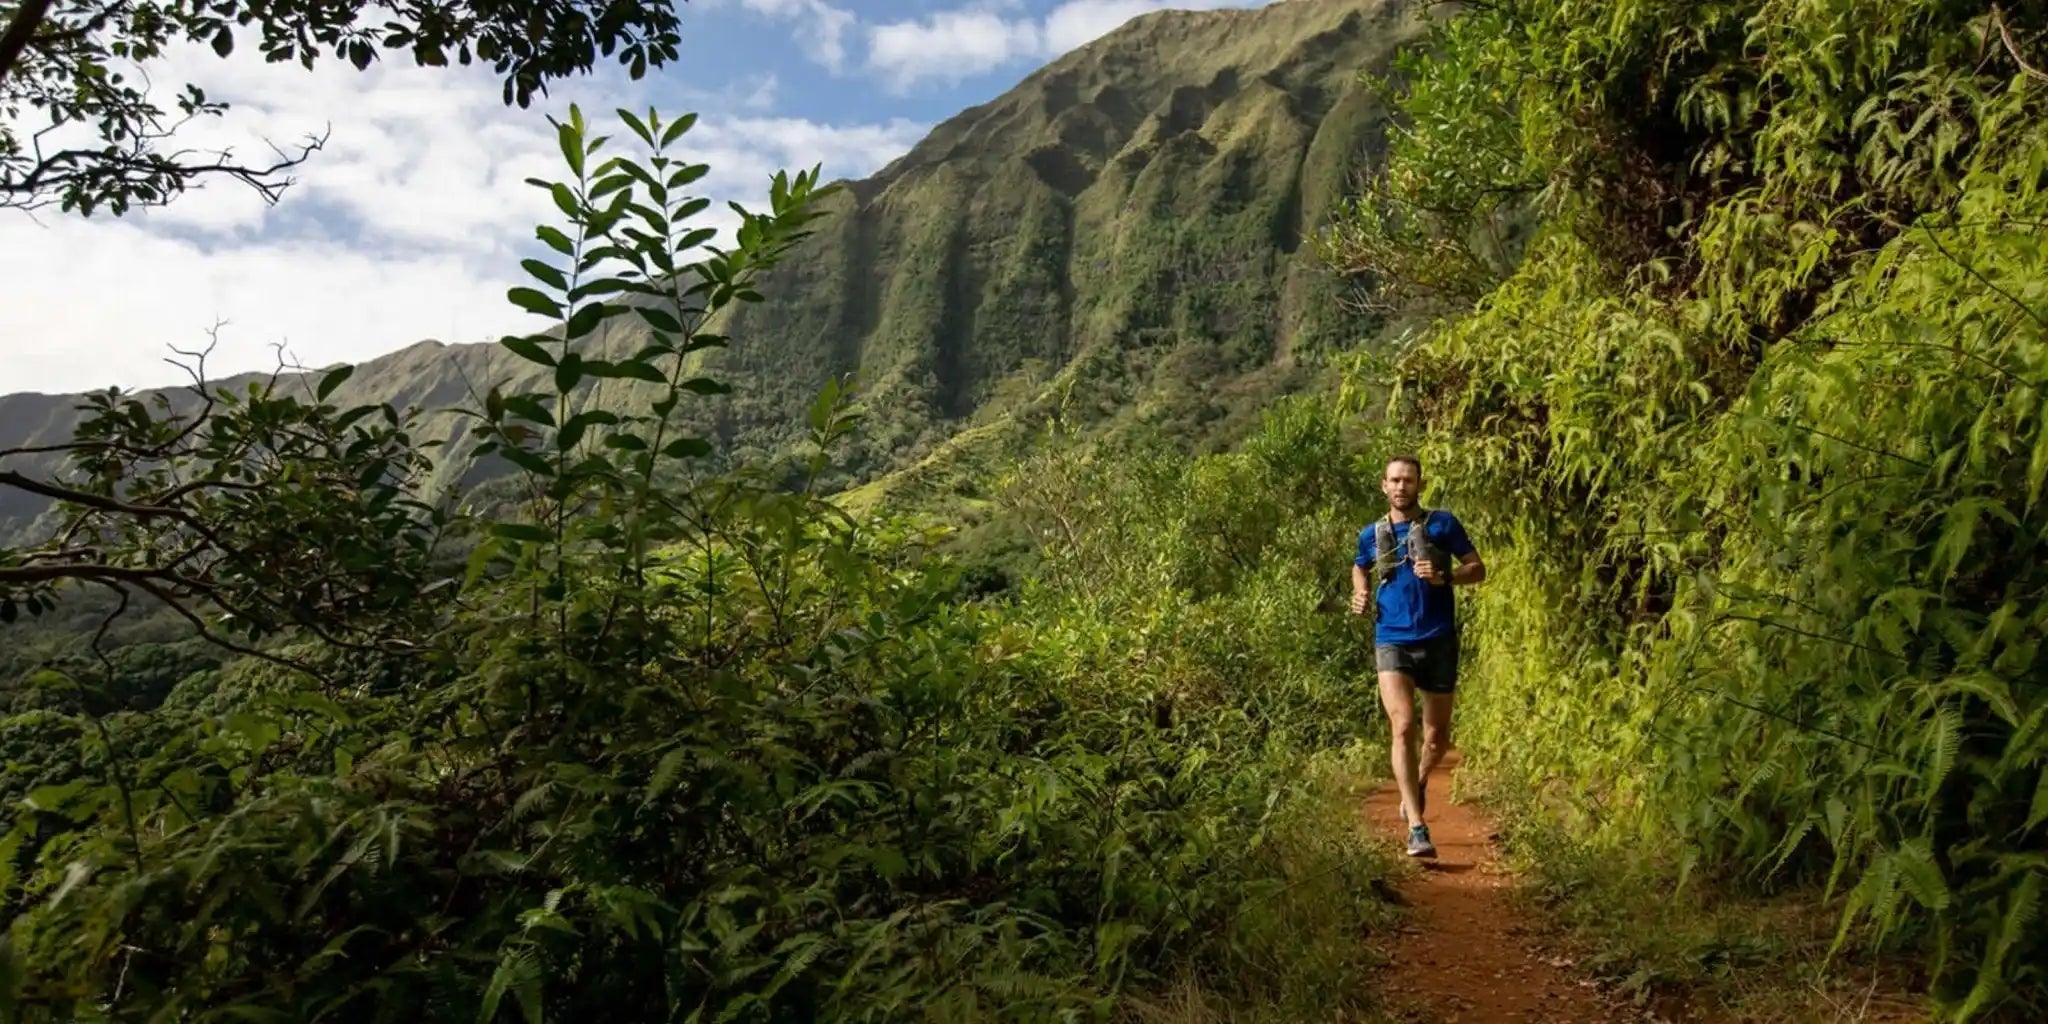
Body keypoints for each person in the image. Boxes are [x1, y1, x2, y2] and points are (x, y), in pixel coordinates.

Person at [1350, 454, 1485, 858]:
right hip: (1391, 638)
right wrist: (1359, 591)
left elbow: (1477, 569)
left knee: (1435, 738)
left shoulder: (1443, 524)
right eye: (1394, 480)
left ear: (1420, 485)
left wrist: (1445, 577)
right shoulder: (1370, 534)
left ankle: (1420, 780)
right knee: (1403, 725)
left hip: (1439, 638)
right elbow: (1360, 567)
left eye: (1408, 480)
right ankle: (1416, 826)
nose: (1401, 487)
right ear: (1383, 485)